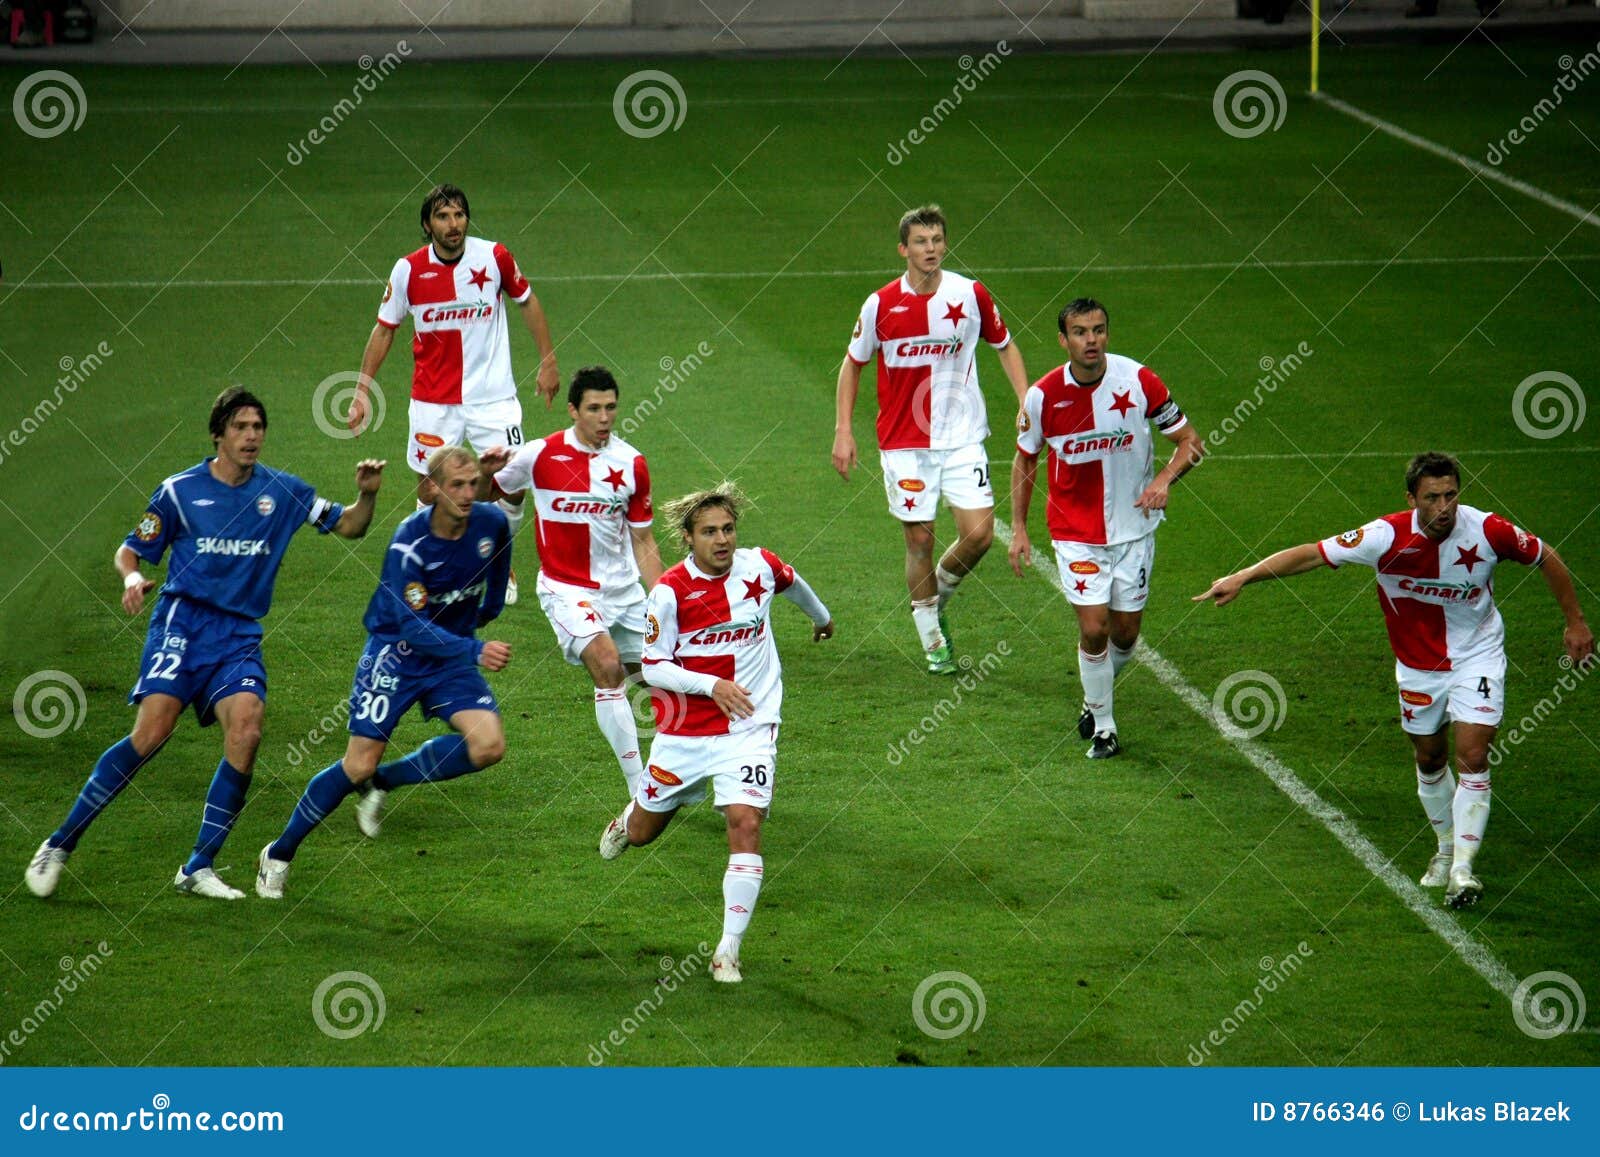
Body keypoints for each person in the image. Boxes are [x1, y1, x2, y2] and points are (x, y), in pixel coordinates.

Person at [24, 388, 384, 900]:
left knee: (247, 729)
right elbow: (132, 550)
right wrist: (131, 580)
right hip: (181, 626)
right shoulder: (179, 492)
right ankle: (59, 843)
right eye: (240, 427)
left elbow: (350, 525)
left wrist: (366, 494)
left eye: (258, 427)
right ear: (218, 434)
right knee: (151, 733)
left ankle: (198, 866)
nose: (251, 436)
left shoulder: (282, 492)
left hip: (237, 636)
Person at [1193, 452, 1594, 909]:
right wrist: (1243, 576)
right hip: (1418, 667)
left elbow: (1545, 555)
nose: (1444, 507)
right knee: (1429, 758)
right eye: (1432, 498)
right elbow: (1311, 555)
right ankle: (1445, 848)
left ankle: (1463, 869)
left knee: (1474, 753)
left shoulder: (1487, 530)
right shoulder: (1385, 536)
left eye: (1451, 495)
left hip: (1476, 658)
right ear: (1411, 498)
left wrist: (1575, 622)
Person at [596, 483, 834, 983]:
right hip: (684, 734)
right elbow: (655, 666)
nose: (721, 540)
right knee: (643, 834)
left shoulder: (759, 567)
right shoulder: (668, 592)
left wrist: (823, 619)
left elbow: (794, 583)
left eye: (727, 529)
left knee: (745, 823)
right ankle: (628, 819)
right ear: (688, 538)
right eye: (709, 532)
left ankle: (728, 948)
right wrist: (712, 684)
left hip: (750, 725)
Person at [255, 446, 513, 899]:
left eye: (474, 483)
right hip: (397, 655)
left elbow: (495, 583)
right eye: (457, 485)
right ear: (432, 488)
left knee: (489, 745)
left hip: (448, 655)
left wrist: (479, 621)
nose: (468, 493)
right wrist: (473, 647)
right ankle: (278, 853)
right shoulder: (408, 544)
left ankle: (385, 781)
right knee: (357, 763)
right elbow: (411, 625)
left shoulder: (491, 524)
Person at [832, 204, 1029, 675]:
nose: (931, 249)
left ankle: (935, 595)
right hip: (904, 444)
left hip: (962, 437)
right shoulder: (880, 304)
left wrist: (1027, 400)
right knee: (920, 537)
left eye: (937, 240)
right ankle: (933, 640)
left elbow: (1005, 345)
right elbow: (852, 364)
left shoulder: (970, 293)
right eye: (921, 242)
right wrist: (843, 429)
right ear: (904, 249)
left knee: (980, 535)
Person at [1008, 298, 1204, 759]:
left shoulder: (1139, 381)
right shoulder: (1042, 396)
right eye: (1080, 331)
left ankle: (1093, 698)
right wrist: (1018, 526)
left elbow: (1190, 442)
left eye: (1098, 330)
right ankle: (1105, 726)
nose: (1090, 339)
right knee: (1094, 628)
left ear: (1107, 334)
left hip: (1134, 530)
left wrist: (1163, 479)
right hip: (1075, 532)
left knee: (1126, 633)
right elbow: (1025, 459)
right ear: (1064, 340)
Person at [348, 183, 560, 604]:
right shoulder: (408, 270)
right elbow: (384, 329)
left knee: (512, 483)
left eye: (459, 215)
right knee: (431, 493)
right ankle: (428, 570)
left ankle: (497, 556)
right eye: (443, 217)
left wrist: (548, 360)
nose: (454, 224)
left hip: (493, 398)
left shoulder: (494, 257)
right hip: (433, 402)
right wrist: (362, 389)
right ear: (428, 225)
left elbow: (528, 301)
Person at [481, 366, 662, 800]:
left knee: (664, 684)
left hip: (623, 593)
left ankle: (679, 775)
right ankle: (640, 793)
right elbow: (484, 499)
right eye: (594, 409)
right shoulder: (538, 455)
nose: (604, 418)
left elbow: (644, 540)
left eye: (611, 407)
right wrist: (487, 475)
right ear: (573, 410)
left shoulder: (632, 463)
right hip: (567, 590)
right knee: (608, 666)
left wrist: (663, 599)